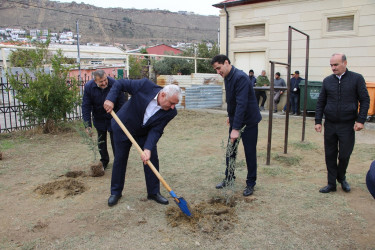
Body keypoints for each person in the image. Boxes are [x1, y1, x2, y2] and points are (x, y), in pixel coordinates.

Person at [103, 79, 182, 207]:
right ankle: (115, 192)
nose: (173, 107)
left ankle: (153, 192)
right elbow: (120, 83)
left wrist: (148, 148)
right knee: (120, 159)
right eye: (172, 103)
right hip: (123, 126)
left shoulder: (171, 112)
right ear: (162, 95)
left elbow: (156, 130)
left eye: (175, 104)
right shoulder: (145, 86)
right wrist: (110, 99)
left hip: (144, 133)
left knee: (151, 159)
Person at [315, 53, 370, 194]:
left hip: (347, 124)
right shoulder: (327, 81)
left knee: (344, 154)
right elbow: (321, 101)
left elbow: (365, 100)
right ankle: (331, 184)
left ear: (345, 63)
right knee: (330, 154)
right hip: (330, 124)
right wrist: (318, 121)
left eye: (336, 65)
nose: (333, 68)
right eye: (331, 65)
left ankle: (341, 176)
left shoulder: (356, 79)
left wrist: (361, 120)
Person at [211, 55, 262, 196]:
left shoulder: (241, 78)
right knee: (230, 151)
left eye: (219, 68)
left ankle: (251, 183)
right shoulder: (228, 77)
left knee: (250, 152)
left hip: (249, 122)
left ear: (226, 63)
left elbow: (242, 104)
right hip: (237, 120)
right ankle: (229, 178)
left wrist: (235, 129)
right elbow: (232, 100)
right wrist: (230, 116)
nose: (218, 72)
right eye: (216, 69)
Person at [82, 69, 127, 169]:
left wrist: (121, 119)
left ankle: (118, 162)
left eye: (105, 80)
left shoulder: (115, 84)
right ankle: (104, 161)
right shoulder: (89, 87)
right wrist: (87, 125)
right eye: (101, 81)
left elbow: (121, 103)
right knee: (101, 141)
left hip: (113, 117)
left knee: (115, 140)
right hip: (99, 117)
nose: (104, 83)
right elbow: (86, 106)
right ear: (95, 81)